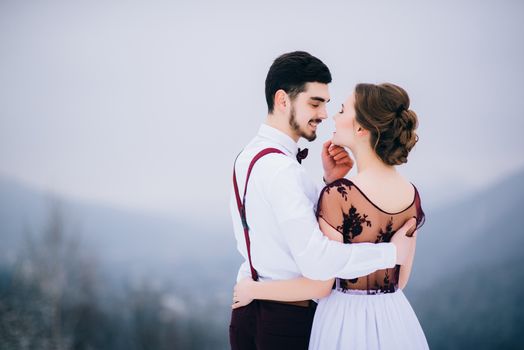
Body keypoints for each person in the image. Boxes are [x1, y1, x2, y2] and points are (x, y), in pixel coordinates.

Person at [229, 51, 417, 350]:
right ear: (282, 100)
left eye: (329, 105)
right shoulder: (282, 171)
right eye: (315, 103)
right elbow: (317, 261)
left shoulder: (250, 156)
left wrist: (331, 183)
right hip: (286, 320)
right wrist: (389, 254)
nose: (324, 114)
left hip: (254, 312)